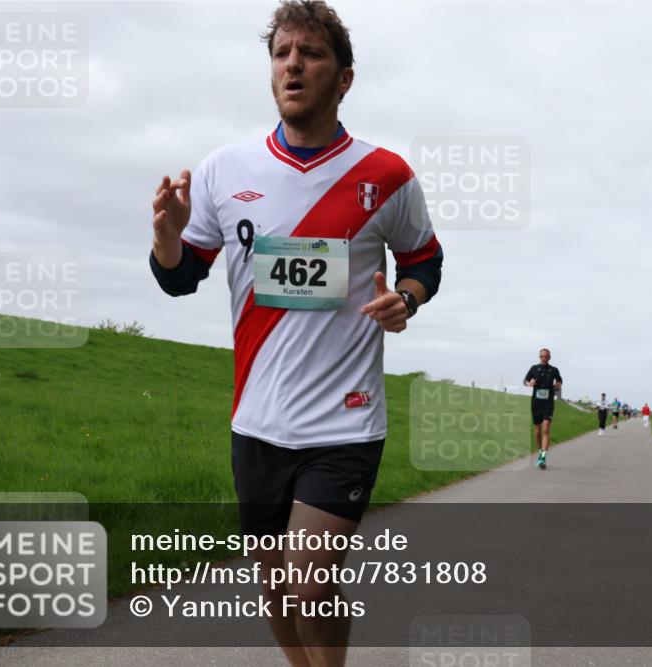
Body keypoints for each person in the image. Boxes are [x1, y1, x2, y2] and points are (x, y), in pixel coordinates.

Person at [149, 2, 443, 664]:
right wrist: (168, 238)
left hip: (344, 424)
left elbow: (425, 259)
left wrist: (406, 297)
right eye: (282, 53)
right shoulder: (227, 169)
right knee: (276, 583)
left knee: (311, 579)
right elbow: (180, 277)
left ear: (344, 78)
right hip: (257, 419)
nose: (292, 65)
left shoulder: (386, 175)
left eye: (310, 53)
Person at [524, 349, 563, 469]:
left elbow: (560, 381)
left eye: (546, 356)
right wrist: (529, 384)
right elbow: (525, 381)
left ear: (549, 357)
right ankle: (540, 451)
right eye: (542, 356)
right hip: (536, 403)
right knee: (537, 432)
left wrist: (557, 385)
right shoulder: (534, 368)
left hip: (548, 403)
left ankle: (543, 457)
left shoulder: (554, 370)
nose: (544, 358)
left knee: (546, 429)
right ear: (539, 357)